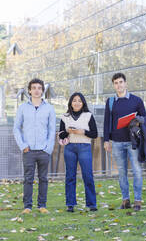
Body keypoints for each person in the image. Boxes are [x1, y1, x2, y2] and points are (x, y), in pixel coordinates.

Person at [103, 72, 146, 211]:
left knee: (137, 171)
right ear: (114, 85)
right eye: (116, 83)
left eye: (121, 82)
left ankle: (138, 201)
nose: (119, 85)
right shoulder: (110, 102)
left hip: (133, 142)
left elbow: (144, 119)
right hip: (116, 142)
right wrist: (106, 140)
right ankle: (125, 200)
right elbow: (106, 122)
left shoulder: (136, 101)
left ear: (125, 83)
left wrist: (135, 121)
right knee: (122, 173)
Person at [13, 78, 56, 214]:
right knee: (28, 179)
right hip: (28, 150)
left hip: (44, 150)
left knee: (43, 179)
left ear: (42, 90)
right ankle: (27, 206)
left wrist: (48, 148)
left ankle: (42, 205)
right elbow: (16, 128)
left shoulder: (49, 108)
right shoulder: (23, 108)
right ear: (30, 90)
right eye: (34, 88)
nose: (37, 90)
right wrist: (23, 145)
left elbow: (51, 129)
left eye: (39, 88)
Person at [59, 92, 98, 212]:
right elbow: (61, 135)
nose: (77, 103)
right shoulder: (65, 117)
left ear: (83, 103)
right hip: (70, 148)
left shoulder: (88, 115)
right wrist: (68, 131)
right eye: (74, 100)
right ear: (71, 102)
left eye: (79, 101)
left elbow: (95, 134)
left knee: (88, 175)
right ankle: (70, 204)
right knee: (70, 176)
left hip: (84, 147)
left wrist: (83, 132)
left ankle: (91, 204)